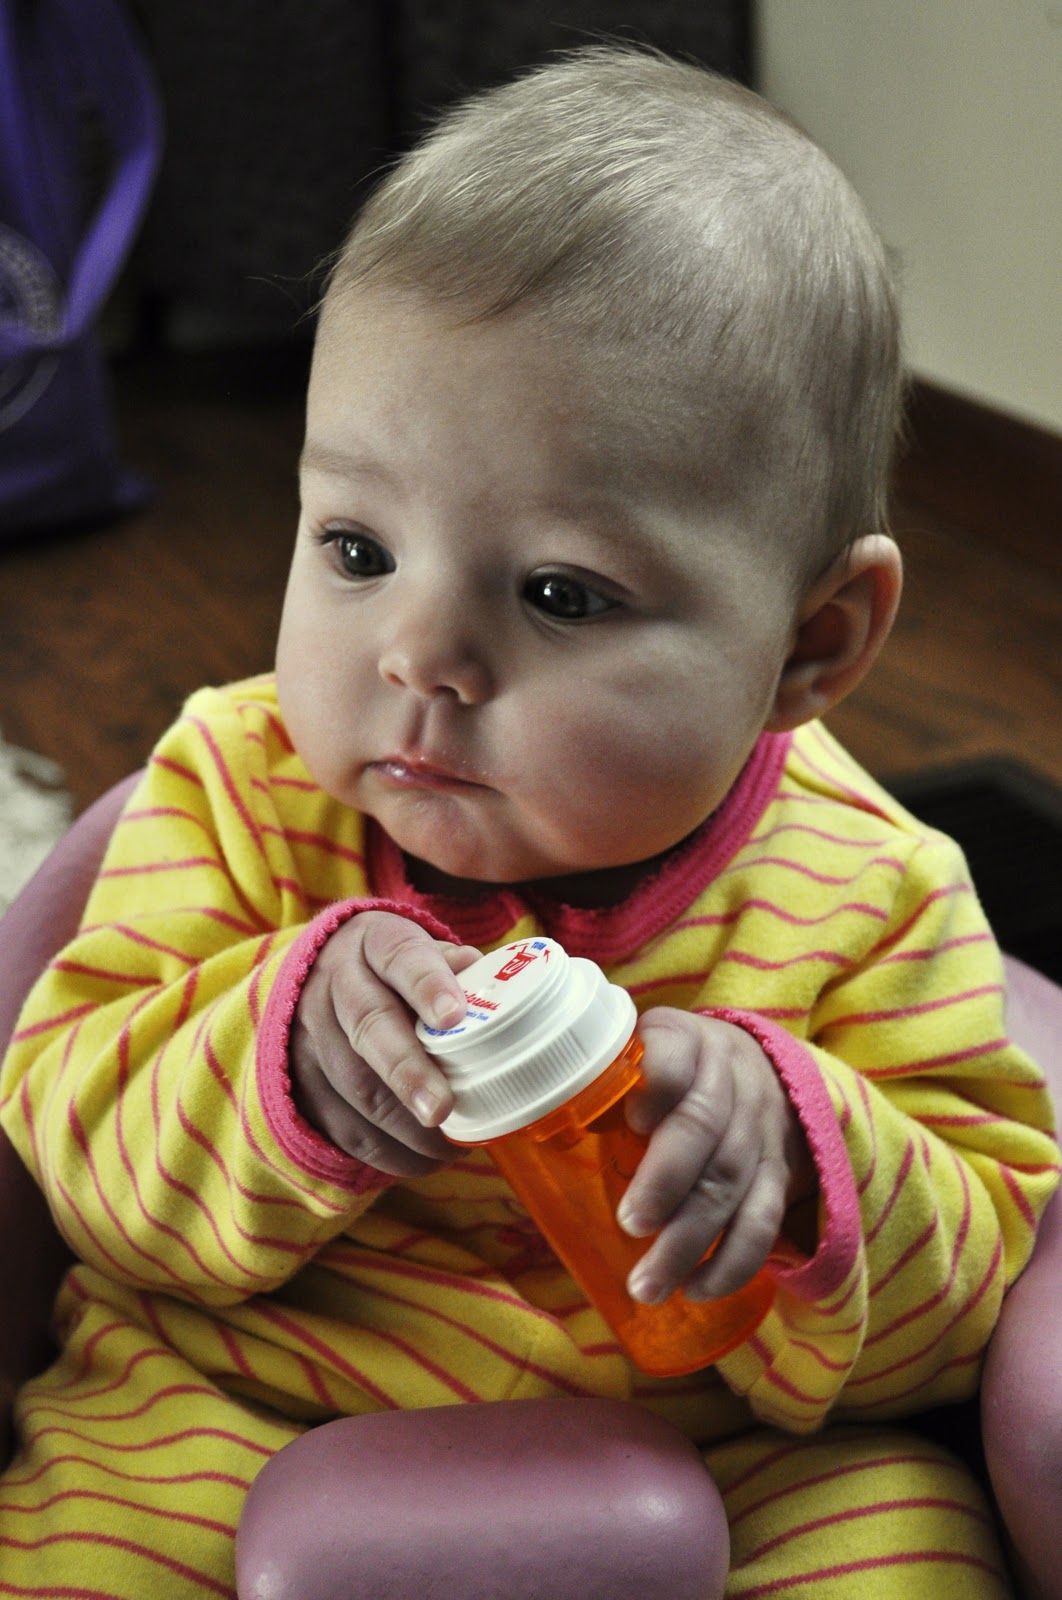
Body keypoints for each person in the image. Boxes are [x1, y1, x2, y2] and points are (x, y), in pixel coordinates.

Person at [0, 44, 1057, 1599]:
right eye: (356, 547)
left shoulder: (874, 893)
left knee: (896, 1549)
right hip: (234, 1392)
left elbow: (969, 1305)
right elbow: (70, 1158)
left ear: (810, 647)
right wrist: (277, 1049)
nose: (417, 654)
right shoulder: (232, 793)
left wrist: (800, 1164)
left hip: (732, 1444)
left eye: (559, 592)